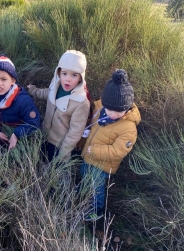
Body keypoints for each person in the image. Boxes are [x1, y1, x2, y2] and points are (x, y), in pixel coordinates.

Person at [79, 69, 141, 221]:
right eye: (109, 109)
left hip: (102, 164)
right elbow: (91, 127)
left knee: (96, 188)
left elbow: (118, 151)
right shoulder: (100, 108)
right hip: (88, 155)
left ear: (126, 108)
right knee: (84, 176)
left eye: (118, 111)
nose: (112, 114)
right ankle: (83, 198)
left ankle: (96, 210)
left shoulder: (128, 128)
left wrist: (93, 150)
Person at [27, 50, 90, 161]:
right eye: (64, 73)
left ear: (81, 77)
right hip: (44, 135)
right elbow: (46, 93)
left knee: (51, 169)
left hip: (58, 145)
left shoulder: (81, 102)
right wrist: (33, 90)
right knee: (35, 159)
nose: (68, 79)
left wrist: (63, 154)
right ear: (59, 72)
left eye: (74, 75)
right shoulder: (56, 86)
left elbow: (75, 132)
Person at [0, 54, 41, 150]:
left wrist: (16, 134)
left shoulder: (23, 100)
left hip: (22, 140)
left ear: (13, 80)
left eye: (4, 79)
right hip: (1, 138)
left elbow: (33, 122)